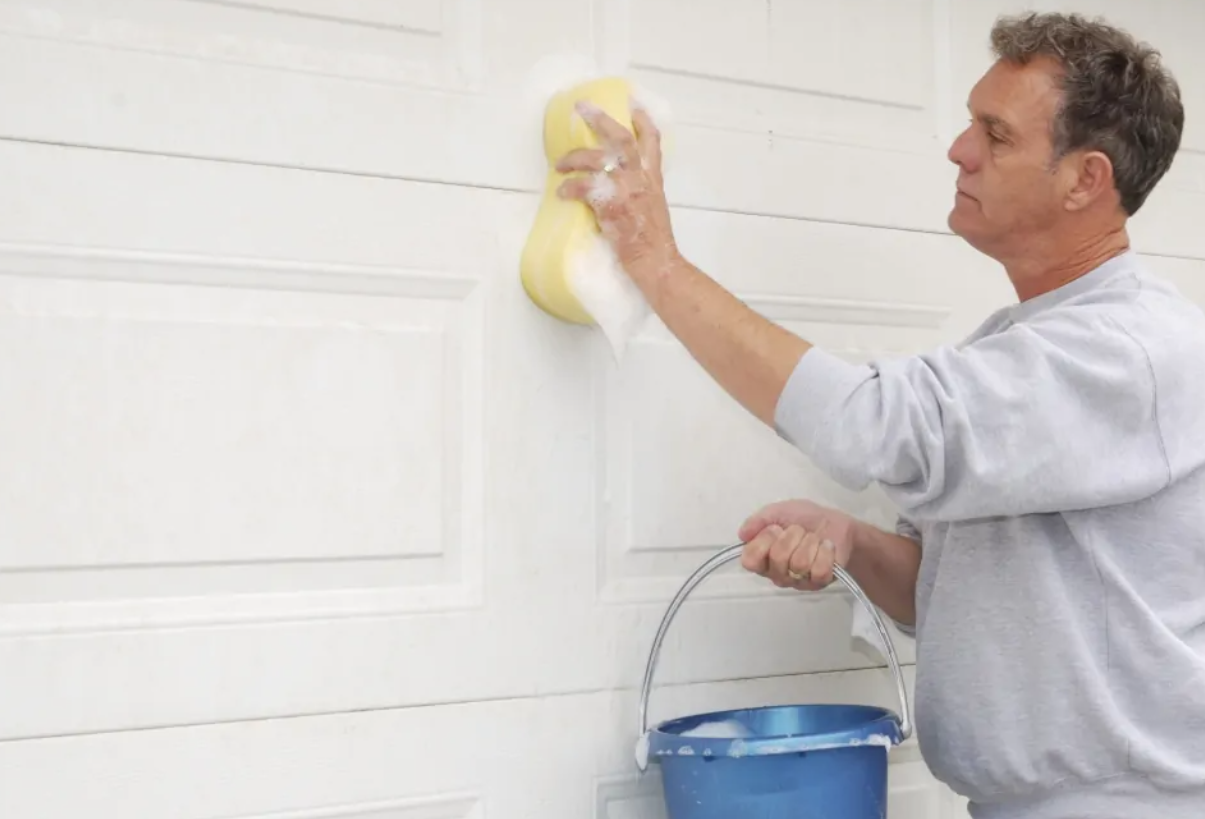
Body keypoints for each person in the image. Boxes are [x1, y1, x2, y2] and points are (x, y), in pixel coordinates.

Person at [555, 10, 1205, 819]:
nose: (958, 149)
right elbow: (940, 593)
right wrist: (855, 542)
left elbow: (870, 420)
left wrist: (655, 262)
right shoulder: (1016, 345)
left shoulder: (1131, 350)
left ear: (1085, 179)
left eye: (993, 135)